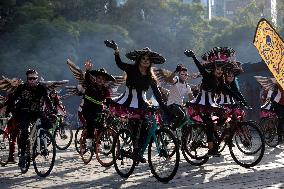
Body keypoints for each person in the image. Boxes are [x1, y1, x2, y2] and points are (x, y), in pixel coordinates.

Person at [105, 40, 166, 162]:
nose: (145, 60)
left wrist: (164, 106)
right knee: (137, 124)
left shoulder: (150, 76)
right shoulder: (131, 69)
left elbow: (157, 93)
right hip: (128, 101)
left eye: (148, 59)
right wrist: (116, 50)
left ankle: (138, 150)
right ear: (139, 59)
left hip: (143, 103)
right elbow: (119, 64)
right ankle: (136, 150)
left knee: (148, 127)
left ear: (150, 63)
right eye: (143, 58)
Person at [184, 47, 235, 156]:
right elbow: (200, 67)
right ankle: (211, 149)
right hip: (200, 104)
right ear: (213, 70)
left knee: (224, 117)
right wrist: (193, 57)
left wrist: (242, 101)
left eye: (221, 70)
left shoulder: (220, 81)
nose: (220, 71)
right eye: (218, 69)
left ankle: (213, 134)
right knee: (209, 124)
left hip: (212, 104)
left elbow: (230, 91)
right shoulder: (207, 76)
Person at [0, 69, 55, 168]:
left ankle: (41, 141)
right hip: (23, 112)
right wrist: (5, 107)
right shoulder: (21, 87)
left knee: (48, 123)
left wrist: (52, 110)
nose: (33, 80)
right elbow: (12, 99)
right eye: (30, 78)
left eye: (35, 78)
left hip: (36, 111)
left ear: (37, 78)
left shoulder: (41, 88)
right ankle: (22, 155)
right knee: (24, 131)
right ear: (27, 79)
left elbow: (47, 99)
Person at [80, 63, 115, 148]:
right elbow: (87, 79)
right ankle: (89, 142)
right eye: (99, 78)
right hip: (87, 109)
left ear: (105, 81)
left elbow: (108, 101)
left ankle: (98, 143)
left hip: (99, 110)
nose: (100, 80)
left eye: (103, 79)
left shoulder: (105, 90)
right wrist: (87, 70)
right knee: (91, 122)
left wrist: (111, 109)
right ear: (95, 79)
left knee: (101, 126)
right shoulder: (90, 85)